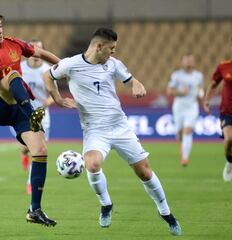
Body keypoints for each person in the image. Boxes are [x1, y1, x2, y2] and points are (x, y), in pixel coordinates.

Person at [43, 27, 182, 235]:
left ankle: (166, 213)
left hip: (120, 126)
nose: (114, 52)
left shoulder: (113, 65)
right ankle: (106, 204)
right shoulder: (71, 64)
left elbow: (132, 79)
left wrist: (137, 85)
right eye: (112, 48)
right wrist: (58, 99)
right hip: (94, 129)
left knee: (144, 171)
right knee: (92, 163)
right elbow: (48, 75)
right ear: (99, 47)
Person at [0, 10, 62, 227]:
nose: (0, 30)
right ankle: (33, 115)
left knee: (40, 151)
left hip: (18, 109)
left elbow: (40, 53)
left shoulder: (14, 44)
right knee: (11, 75)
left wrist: (66, 66)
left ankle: (34, 210)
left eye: (0, 26)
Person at [9, 40, 54, 195]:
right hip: (21, 113)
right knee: (25, 147)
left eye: (39, 49)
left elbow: (54, 94)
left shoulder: (48, 70)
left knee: (39, 149)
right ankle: (23, 153)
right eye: (33, 49)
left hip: (41, 115)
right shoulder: (18, 68)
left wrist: (47, 102)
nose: (35, 53)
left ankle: (30, 182)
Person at [166, 54, 204, 167]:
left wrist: (200, 93)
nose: (188, 62)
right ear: (182, 62)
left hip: (192, 106)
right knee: (180, 133)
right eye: (186, 60)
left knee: (188, 130)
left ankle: (185, 158)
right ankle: (183, 145)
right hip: (179, 106)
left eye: (190, 60)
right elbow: (169, 91)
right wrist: (180, 92)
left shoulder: (198, 76)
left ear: (194, 62)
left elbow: (200, 88)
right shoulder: (177, 76)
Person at [203, 37, 232, 182]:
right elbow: (213, 84)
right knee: (229, 139)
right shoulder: (224, 66)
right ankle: (230, 162)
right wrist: (207, 100)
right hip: (227, 111)